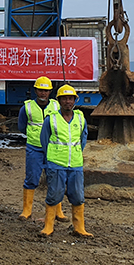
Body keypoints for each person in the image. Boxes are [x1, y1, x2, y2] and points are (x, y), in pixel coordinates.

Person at [38, 84, 93, 238]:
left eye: (70, 98)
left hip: (75, 165)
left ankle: (79, 228)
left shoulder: (80, 118)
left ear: (75, 101)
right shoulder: (51, 119)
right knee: (54, 195)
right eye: (64, 99)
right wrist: (52, 158)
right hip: (56, 164)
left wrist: (75, 154)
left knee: (78, 196)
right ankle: (48, 226)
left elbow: (83, 139)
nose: (68, 101)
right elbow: (44, 141)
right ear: (59, 101)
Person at [17, 76, 67, 222]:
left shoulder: (57, 107)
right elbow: (22, 127)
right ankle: (27, 210)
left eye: (46, 90)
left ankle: (58, 211)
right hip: (34, 148)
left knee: (55, 179)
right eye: (40, 90)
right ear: (35, 90)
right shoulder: (27, 108)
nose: (43, 93)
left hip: (53, 148)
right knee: (31, 178)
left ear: (50, 91)